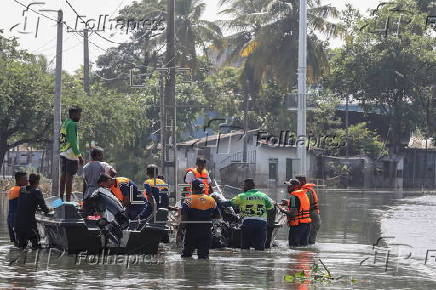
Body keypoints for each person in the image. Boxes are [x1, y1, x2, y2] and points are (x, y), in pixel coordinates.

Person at [181, 179, 221, 259]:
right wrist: (216, 231)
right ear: (203, 189)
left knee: (186, 256)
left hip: (192, 232)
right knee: (204, 257)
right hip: (206, 232)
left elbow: (184, 217)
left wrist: (180, 230)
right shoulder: (211, 200)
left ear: (192, 188)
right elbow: (218, 216)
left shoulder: (188, 200)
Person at [231, 179, 274, 251]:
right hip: (261, 224)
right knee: (260, 248)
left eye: (244, 186)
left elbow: (231, 203)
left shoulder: (242, 196)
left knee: (245, 247)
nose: (243, 188)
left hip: (248, 223)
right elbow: (271, 209)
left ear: (246, 186)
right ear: (254, 186)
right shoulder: (263, 196)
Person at [14, 173, 50, 249]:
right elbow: (45, 209)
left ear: (29, 181)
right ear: (37, 182)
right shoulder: (36, 191)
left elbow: (26, 203)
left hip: (18, 225)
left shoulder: (22, 189)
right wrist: (52, 209)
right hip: (29, 226)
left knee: (21, 248)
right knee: (36, 247)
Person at [278, 179, 312, 247]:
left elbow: (292, 213)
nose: (288, 188)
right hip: (306, 225)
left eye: (289, 186)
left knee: (293, 247)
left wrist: (281, 209)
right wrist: (288, 203)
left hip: (297, 226)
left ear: (295, 187)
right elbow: (300, 206)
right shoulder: (304, 194)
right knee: (303, 247)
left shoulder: (293, 197)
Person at [60, 106, 84, 202]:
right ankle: (68, 201)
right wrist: (79, 155)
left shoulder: (65, 123)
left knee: (64, 175)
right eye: (78, 114)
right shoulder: (73, 124)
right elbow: (73, 141)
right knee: (70, 176)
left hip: (64, 151)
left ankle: (60, 198)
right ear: (72, 114)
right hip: (71, 152)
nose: (80, 116)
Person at [296, 176, 321, 245]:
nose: (296, 184)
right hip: (312, 217)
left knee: (309, 242)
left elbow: (304, 204)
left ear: (303, 182)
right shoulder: (306, 190)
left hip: (313, 219)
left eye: (297, 182)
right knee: (307, 241)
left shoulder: (307, 192)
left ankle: (309, 254)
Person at [7, 172, 28, 246]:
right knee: (22, 245)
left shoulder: (12, 189)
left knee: (17, 245)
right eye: (25, 179)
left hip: (10, 219)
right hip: (18, 221)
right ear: (19, 180)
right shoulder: (21, 190)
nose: (27, 181)